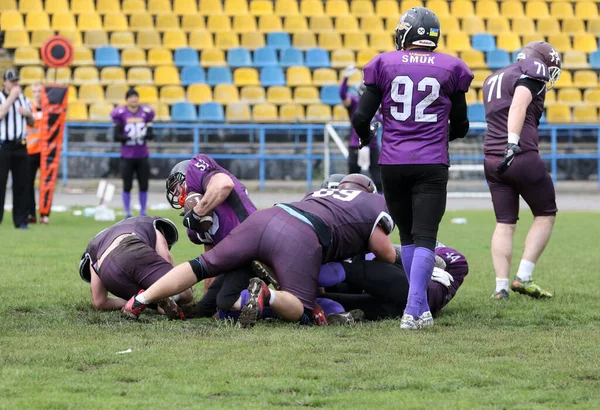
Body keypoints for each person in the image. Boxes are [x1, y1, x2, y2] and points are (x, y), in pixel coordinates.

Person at [122, 174, 397, 328]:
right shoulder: (374, 202)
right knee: (301, 306)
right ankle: (269, 295)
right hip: (300, 236)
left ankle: (141, 300)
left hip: (269, 216)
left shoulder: (318, 195)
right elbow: (382, 252)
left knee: (201, 264)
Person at [352, 7, 473, 329]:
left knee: (407, 237)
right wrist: (442, 136)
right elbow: (462, 124)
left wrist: (366, 137)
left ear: (405, 33)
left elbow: (361, 118)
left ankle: (419, 309)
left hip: (392, 161)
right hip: (431, 162)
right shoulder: (452, 67)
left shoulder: (384, 63)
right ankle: (413, 308)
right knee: (425, 237)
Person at [482, 41, 561, 300]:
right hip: (519, 153)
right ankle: (523, 277)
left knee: (504, 223)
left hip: (492, 159)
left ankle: (500, 287)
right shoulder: (534, 69)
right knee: (546, 213)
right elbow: (518, 105)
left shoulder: (495, 77)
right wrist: (513, 142)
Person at [165, 154, 258, 317]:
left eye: (176, 187)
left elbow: (224, 184)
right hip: (238, 257)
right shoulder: (194, 228)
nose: (175, 193)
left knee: (225, 303)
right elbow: (211, 259)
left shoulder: (196, 168)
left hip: (254, 242)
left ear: (185, 177)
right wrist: (209, 293)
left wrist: (197, 211)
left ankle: (266, 298)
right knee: (206, 308)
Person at [317, 242, 468, 322]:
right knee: (345, 300)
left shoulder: (450, 259)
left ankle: (301, 286)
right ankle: (335, 312)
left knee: (350, 269)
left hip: (411, 291)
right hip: (409, 306)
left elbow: (445, 261)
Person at [78, 216, 193, 313]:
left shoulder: (94, 247)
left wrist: (127, 301)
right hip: (133, 248)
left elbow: (99, 302)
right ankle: (164, 298)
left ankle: (139, 301)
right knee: (186, 291)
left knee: (155, 297)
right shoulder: (150, 224)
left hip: (107, 272)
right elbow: (166, 258)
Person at [110, 88, 154, 218]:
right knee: (127, 184)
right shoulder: (121, 113)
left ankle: (143, 212)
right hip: (127, 155)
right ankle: (127, 212)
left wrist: (145, 134)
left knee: (143, 184)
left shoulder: (146, 113)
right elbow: (116, 136)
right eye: (131, 97)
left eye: (135, 97)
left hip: (142, 154)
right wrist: (129, 138)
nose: (133, 99)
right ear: (127, 99)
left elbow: (151, 135)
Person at [0, 69, 35, 229]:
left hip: (20, 146)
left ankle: (21, 220)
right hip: (3, 146)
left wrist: (28, 114)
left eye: (16, 81)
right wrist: (11, 98)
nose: (14, 84)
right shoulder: (2, 97)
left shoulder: (24, 99)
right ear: (4, 82)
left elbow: (32, 123)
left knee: (22, 184)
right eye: (11, 80)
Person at [340, 65, 382, 192]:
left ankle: (380, 202)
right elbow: (343, 95)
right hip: (356, 145)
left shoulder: (377, 107)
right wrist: (346, 79)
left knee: (377, 178)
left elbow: (385, 119)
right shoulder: (354, 104)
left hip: (372, 145)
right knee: (352, 178)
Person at [25, 82, 45, 225]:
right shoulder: (28, 108)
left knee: (45, 185)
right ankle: (31, 213)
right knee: (28, 183)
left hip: (45, 151)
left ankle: (44, 214)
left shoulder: (50, 109)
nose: (37, 94)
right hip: (31, 150)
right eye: (35, 91)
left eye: (39, 91)